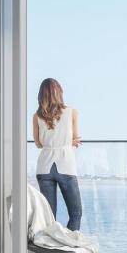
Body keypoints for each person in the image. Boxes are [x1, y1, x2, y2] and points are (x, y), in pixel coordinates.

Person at [32, 78, 82, 231]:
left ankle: (51, 247)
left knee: (49, 216)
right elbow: (76, 137)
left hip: (44, 167)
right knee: (75, 213)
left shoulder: (37, 116)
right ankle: (67, 246)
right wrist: (68, 142)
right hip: (65, 165)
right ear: (59, 93)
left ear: (41, 95)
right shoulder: (72, 112)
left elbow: (38, 144)